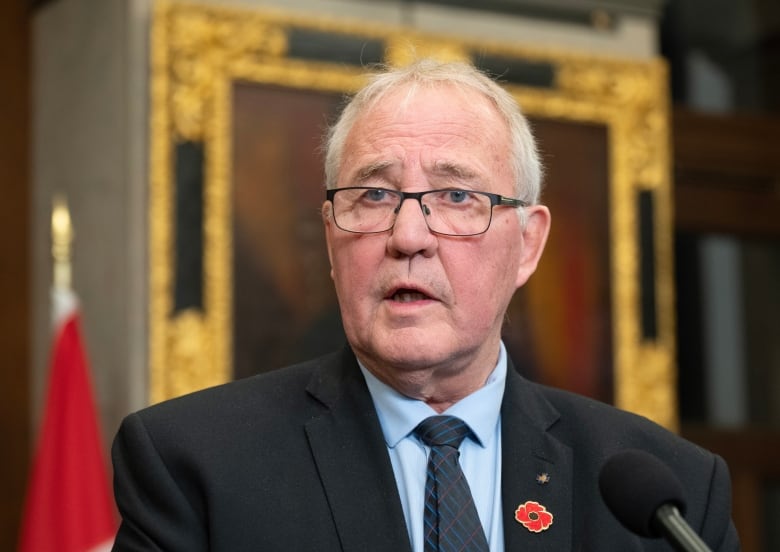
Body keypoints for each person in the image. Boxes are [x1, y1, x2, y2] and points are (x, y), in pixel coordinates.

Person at [111, 59, 739, 551]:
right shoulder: (194, 464)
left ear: (528, 243)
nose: (408, 237)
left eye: (457, 196)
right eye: (374, 195)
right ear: (331, 238)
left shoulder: (672, 496)